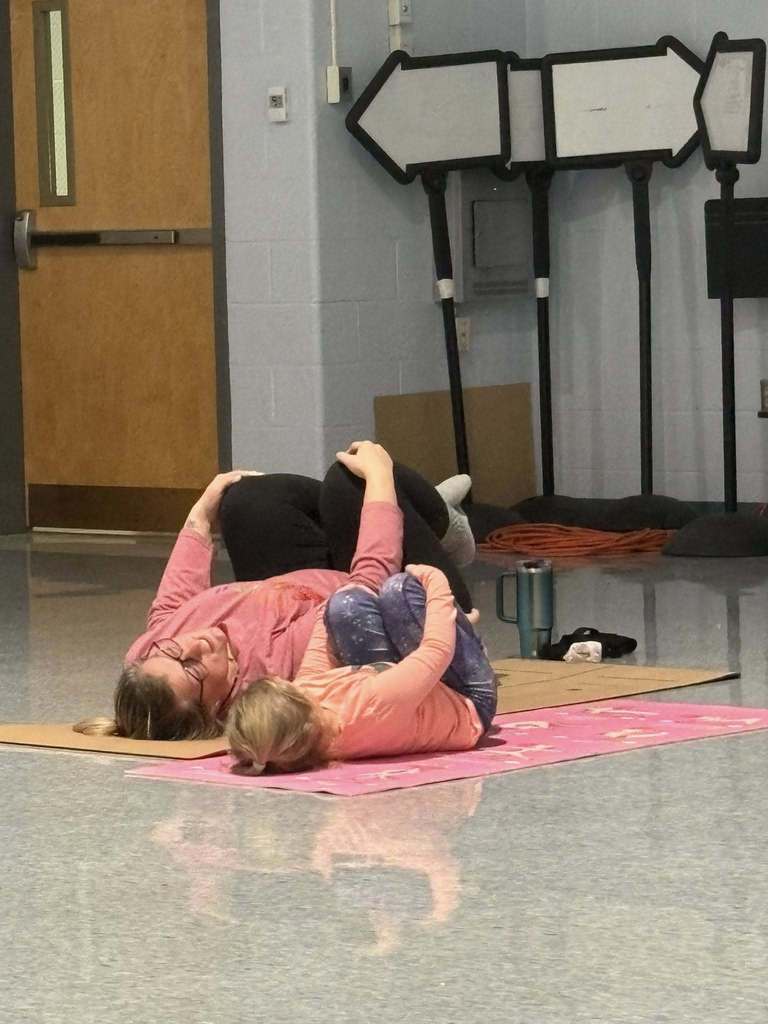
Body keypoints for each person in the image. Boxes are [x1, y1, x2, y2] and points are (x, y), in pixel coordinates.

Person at [75, 442, 476, 741]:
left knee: (246, 500)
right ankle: (442, 523)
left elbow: (169, 610)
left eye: (170, 651)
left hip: (307, 585)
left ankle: (426, 508)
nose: (192, 643)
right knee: (349, 483)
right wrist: (381, 478)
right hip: (409, 598)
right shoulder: (275, 677)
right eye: (193, 667)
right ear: (215, 709)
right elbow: (369, 581)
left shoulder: (152, 655)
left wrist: (199, 516)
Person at [224, 458, 497, 774]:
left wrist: (331, 604)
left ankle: (438, 515)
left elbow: (316, 660)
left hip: (400, 688)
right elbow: (435, 653)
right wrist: (436, 583)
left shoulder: (313, 723)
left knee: (345, 604)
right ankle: (442, 519)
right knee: (399, 590)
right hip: (468, 701)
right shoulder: (370, 705)